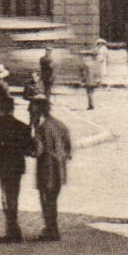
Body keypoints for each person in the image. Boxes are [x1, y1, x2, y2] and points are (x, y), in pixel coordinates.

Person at [27, 94, 72, 242]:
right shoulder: (60, 125)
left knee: (46, 200)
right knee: (53, 199)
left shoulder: (42, 128)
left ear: (38, 110)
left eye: (31, 109)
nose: (29, 111)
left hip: (46, 169)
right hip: (59, 169)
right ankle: (53, 229)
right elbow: (68, 149)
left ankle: (51, 230)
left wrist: (29, 146)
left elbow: (37, 150)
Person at [0, 107, 33, 243]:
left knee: (6, 197)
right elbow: (27, 149)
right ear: (12, 110)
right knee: (14, 196)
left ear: (1, 110)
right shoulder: (23, 127)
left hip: (3, 167)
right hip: (17, 167)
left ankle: (12, 230)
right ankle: (14, 228)